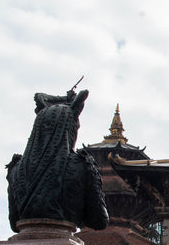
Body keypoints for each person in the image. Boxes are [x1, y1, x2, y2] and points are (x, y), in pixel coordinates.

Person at [6, 87, 108, 232]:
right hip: (63, 238)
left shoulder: (15, 171)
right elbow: (99, 221)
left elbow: (14, 223)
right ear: (69, 129)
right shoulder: (82, 166)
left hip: (25, 237)